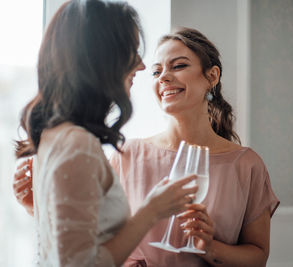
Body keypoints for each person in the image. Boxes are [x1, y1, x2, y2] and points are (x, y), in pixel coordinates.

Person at [14, 27, 280, 266]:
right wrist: (34, 207)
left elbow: (258, 256)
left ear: (211, 76)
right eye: (156, 71)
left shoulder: (247, 165)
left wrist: (209, 248)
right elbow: (87, 239)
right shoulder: (126, 154)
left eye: (178, 66)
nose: (163, 77)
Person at [14, 1, 198, 266]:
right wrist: (150, 211)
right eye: (132, 50)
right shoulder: (78, 144)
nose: (142, 66)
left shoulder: (57, 136)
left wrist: (35, 207)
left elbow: (68, 243)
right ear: (102, 59)